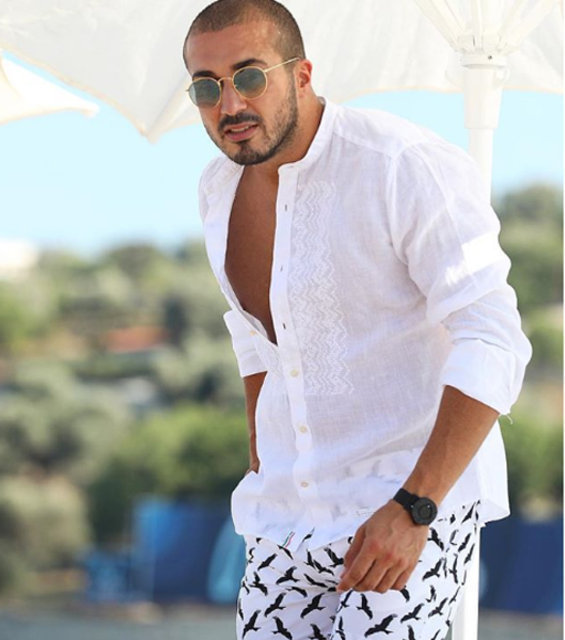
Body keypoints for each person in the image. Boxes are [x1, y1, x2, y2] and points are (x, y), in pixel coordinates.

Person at [183, 1, 531, 638]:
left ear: (302, 74)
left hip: (407, 501)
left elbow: (493, 338)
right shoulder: (217, 188)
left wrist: (417, 505)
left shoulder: (401, 164)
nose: (229, 104)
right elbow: (255, 334)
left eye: (250, 76)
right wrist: (262, 454)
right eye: (207, 87)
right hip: (287, 516)